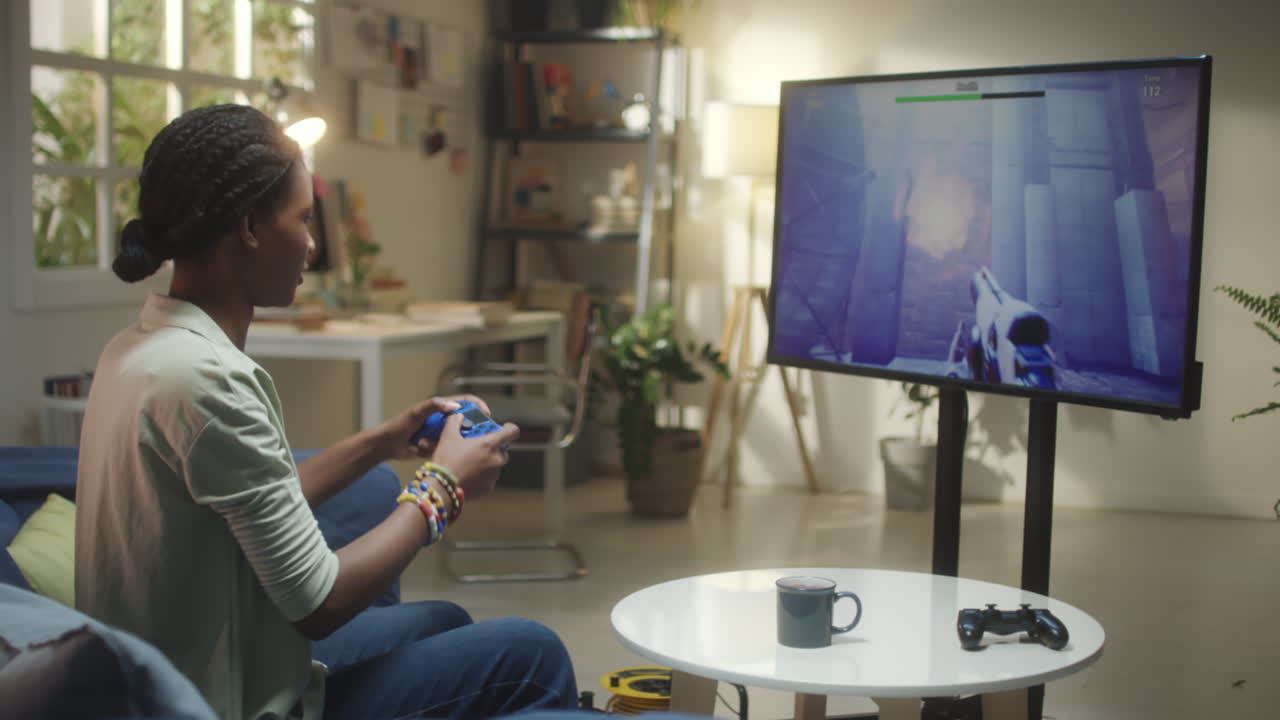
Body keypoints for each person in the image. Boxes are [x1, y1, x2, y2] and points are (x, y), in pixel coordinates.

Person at [74, 104, 578, 720]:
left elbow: (257, 499)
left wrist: (384, 440)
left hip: (157, 678)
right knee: (531, 652)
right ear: (250, 226)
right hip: (210, 702)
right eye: (303, 219)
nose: (311, 245)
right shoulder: (207, 380)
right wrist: (443, 487)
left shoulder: (138, 350)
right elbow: (319, 603)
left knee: (441, 620)